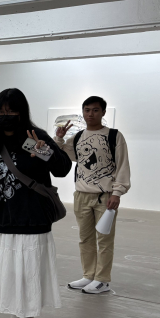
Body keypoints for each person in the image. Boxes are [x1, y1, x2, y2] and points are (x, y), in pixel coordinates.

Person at [0, 88, 72, 318]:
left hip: (33, 220)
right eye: (1, 112)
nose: (6, 116)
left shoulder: (34, 137)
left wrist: (45, 151)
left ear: (22, 112)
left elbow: (62, 168)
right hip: (6, 219)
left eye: (12, 111)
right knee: (13, 274)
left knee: (28, 275)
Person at [54, 96, 131, 294]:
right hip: (81, 195)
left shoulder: (114, 136)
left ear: (103, 112)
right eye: (87, 110)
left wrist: (117, 193)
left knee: (104, 240)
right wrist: (59, 138)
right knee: (85, 238)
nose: (91, 114)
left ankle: (102, 280)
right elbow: (65, 155)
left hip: (105, 196)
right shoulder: (78, 137)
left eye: (95, 110)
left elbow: (122, 165)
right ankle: (88, 275)